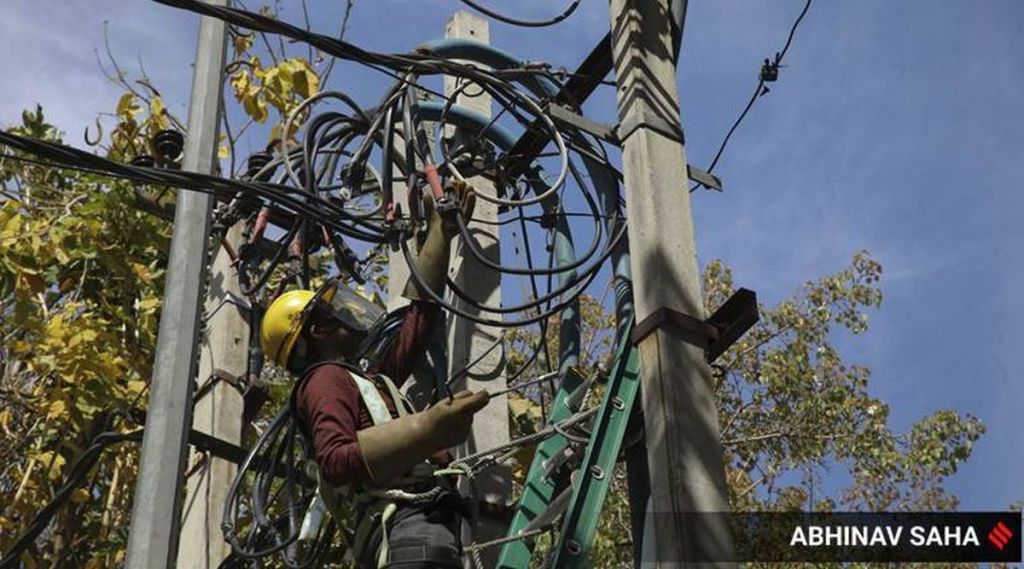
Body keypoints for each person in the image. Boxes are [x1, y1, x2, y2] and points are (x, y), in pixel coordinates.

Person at [258, 180, 490, 568]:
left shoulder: (367, 381)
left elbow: (419, 322)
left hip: (422, 527)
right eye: (336, 310)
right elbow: (334, 462)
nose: (351, 312)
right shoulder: (324, 380)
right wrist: (426, 430)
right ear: (319, 331)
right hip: (403, 531)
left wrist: (440, 233)